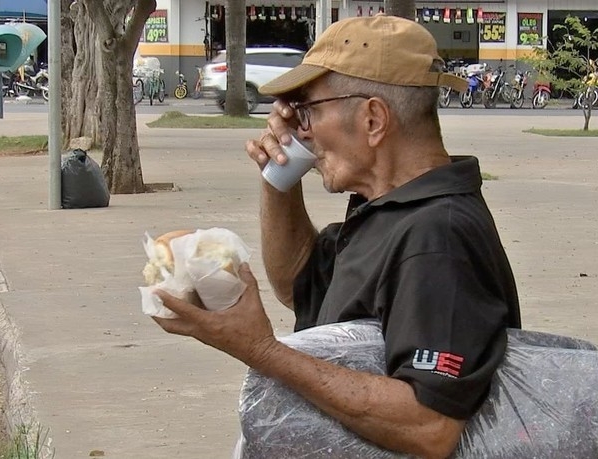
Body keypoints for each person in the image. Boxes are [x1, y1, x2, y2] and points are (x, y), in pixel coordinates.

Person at [152, 14, 521, 458]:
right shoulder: (389, 207)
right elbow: (296, 284)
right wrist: (279, 174)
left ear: (372, 120)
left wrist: (260, 350)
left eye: (308, 111)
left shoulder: (435, 236)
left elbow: (430, 423)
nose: (298, 129)